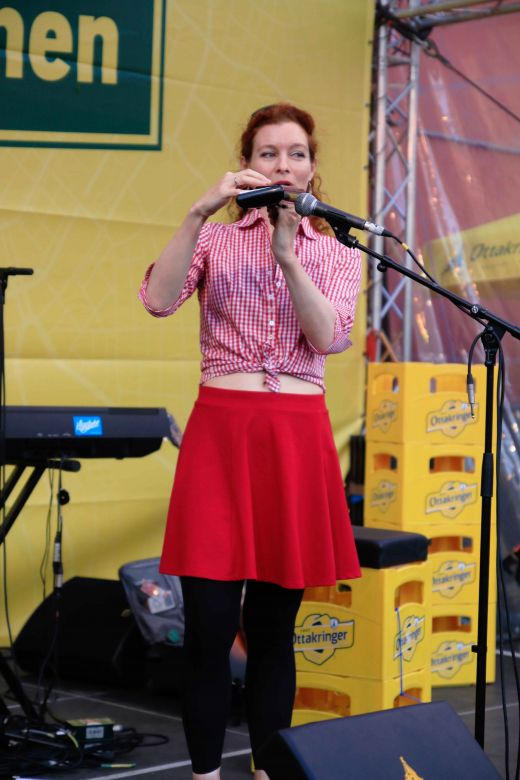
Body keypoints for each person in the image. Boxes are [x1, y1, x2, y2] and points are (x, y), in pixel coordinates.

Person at [139, 103, 362, 779]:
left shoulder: (336, 250)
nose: (283, 165)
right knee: (209, 629)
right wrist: (197, 213)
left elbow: (327, 337)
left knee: (272, 632)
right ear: (246, 165)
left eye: (296, 154)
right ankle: (206, 774)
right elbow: (157, 299)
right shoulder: (215, 239)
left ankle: (269, 770)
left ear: (313, 168)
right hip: (222, 432)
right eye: (269, 153)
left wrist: (288, 255)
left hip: (294, 436)